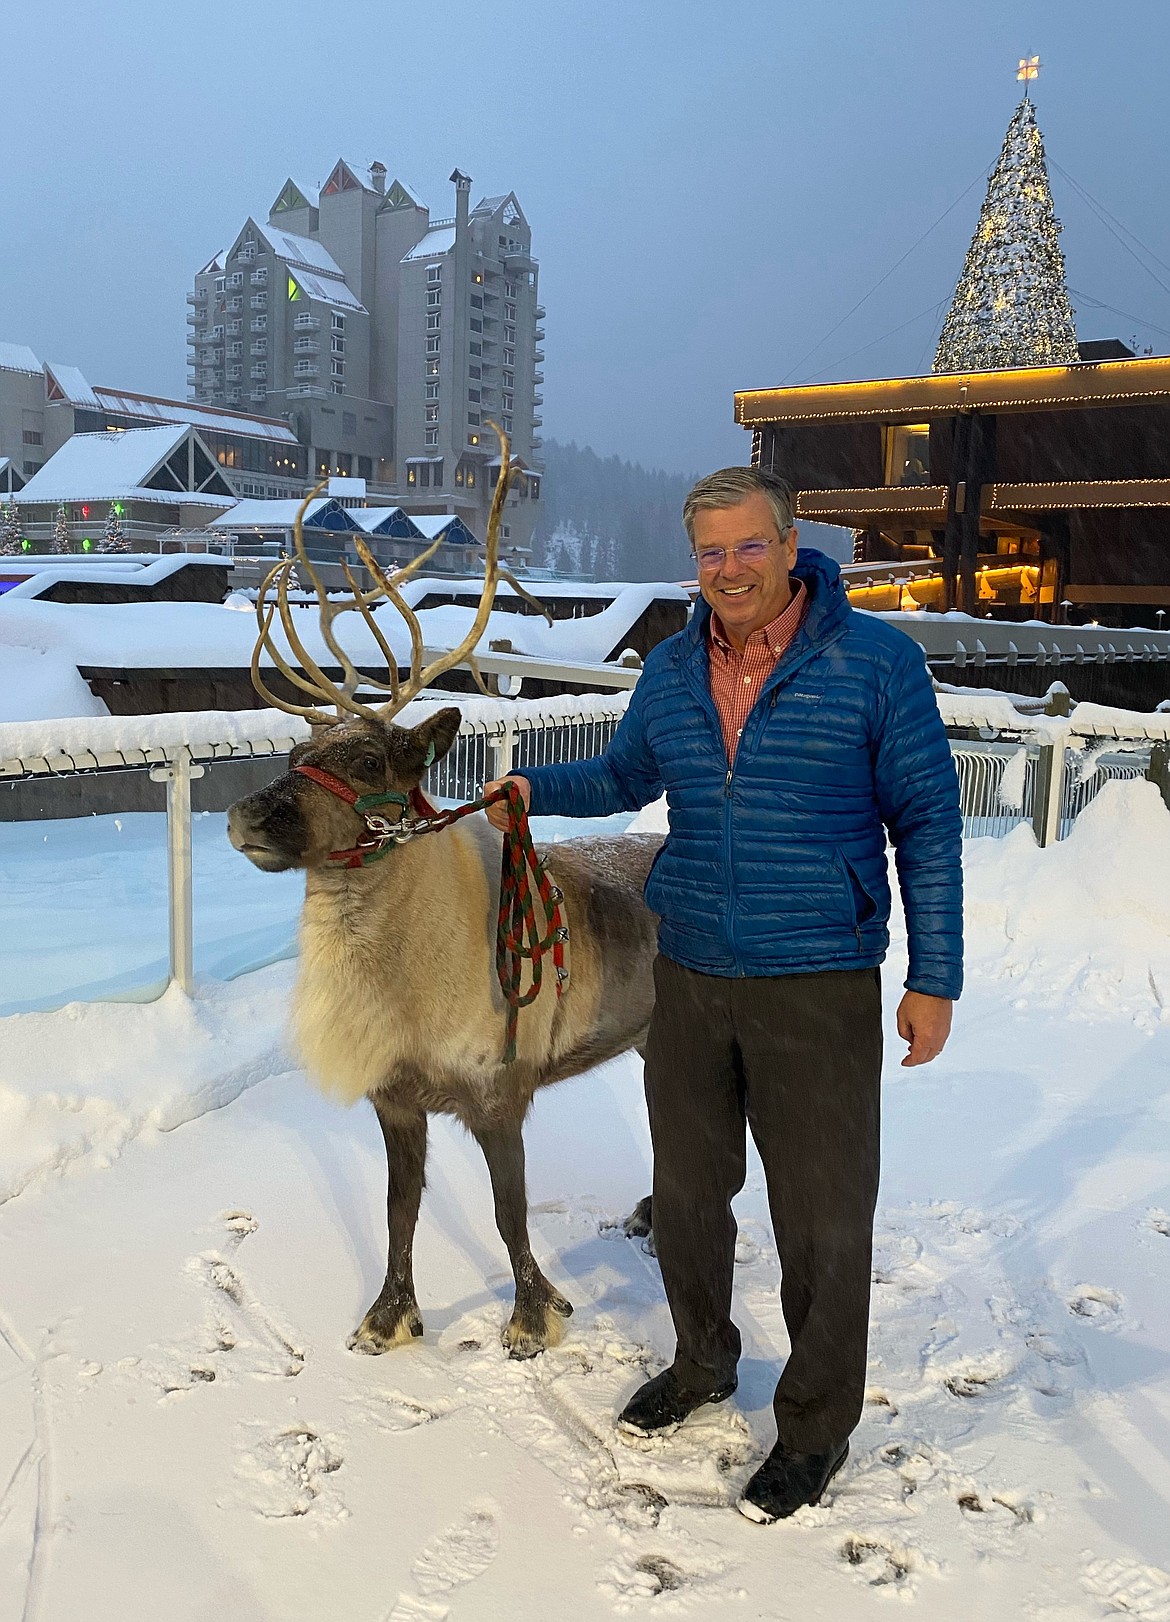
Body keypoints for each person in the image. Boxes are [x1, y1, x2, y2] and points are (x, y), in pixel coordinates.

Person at [484, 467, 962, 1524]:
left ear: (791, 544)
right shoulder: (671, 666)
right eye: (710, 552)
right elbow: (624, 774)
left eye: (749, 546)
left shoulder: (876, 662)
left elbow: (928, 821)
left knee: (823, 1218)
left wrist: (935, 974)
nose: (729, 569)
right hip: (691, 971)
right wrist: (533, 790)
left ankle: (814, 1423)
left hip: (820, 979)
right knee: (690, 1198)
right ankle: (703, 1358)